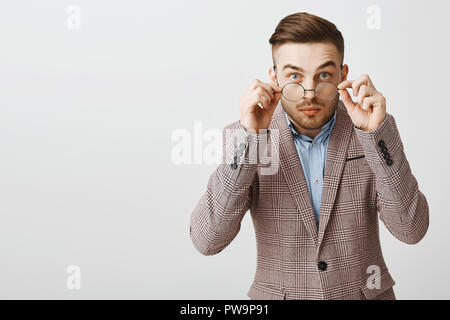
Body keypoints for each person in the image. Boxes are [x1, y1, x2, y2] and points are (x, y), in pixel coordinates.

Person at [189, 11, 429, 300]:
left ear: (343, 75)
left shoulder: (371, 133)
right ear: (274, 78)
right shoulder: (247, 140)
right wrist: (249, 138)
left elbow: (411, 230)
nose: (310, 92)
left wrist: (376, 134)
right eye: (294, 76)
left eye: (324, 75)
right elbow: (207, 240)